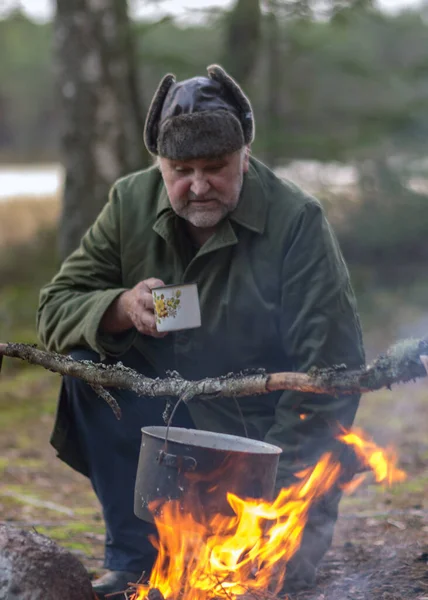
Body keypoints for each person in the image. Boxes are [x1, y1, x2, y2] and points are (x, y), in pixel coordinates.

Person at [36, 64, 365, 599]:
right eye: (180, 169)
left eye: (216, 167)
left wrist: (263, 507)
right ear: (159, 164)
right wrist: (120, 307)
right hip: (168, 432)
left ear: (244, 157)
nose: (198, 185)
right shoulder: (130, 202)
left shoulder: (296, 219)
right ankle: (136, 558)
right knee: (88, 369)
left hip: (262, 447)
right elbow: (55, 308)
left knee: (252, 580)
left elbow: (332, 378)